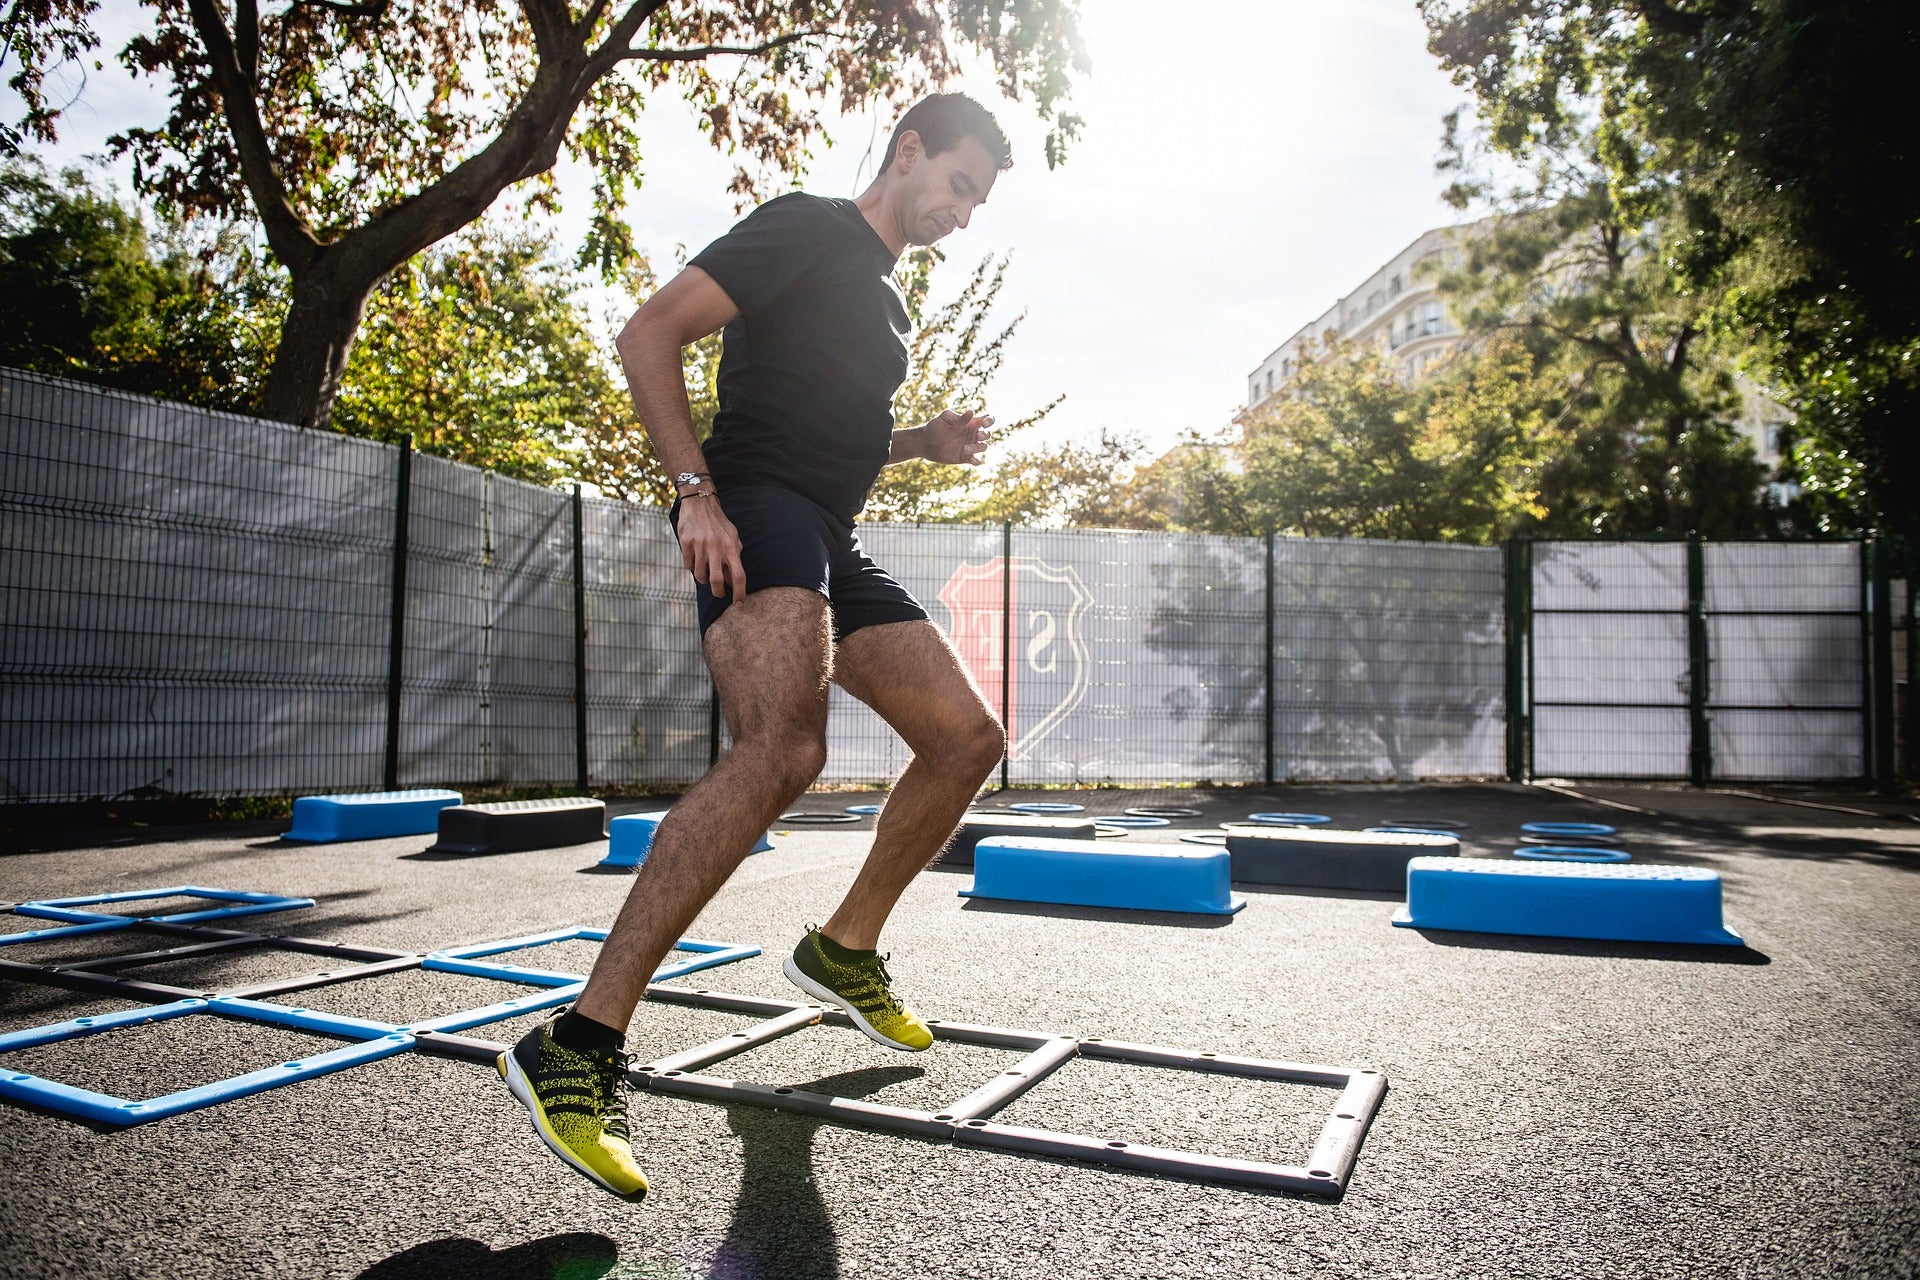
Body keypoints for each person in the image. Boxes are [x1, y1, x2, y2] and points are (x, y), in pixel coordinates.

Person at [496, 93, 1015, 1200]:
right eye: (962, 184)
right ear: (910, 150)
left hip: (830, 529)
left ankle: (843, 947)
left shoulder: (885, 307)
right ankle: (577, 1046)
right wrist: (695, 492)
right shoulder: (808, 225)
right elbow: (649, 330)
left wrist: (926, 441)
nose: (966, 214)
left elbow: (844, 437)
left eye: (981, 201)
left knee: (967, 737)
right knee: (782, 749)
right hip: (757, 507)